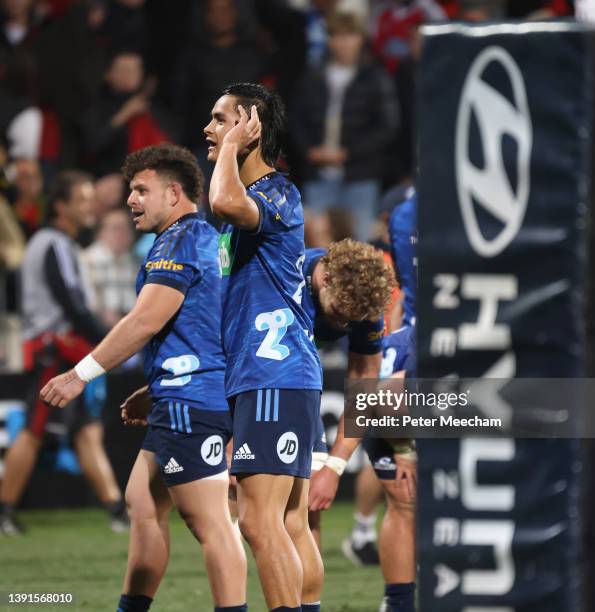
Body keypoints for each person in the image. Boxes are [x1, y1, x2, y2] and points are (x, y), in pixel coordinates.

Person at [39, 144, 247, 612]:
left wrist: (81, 374)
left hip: (192, 402)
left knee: (211, 523)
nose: (130, 200)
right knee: (144, 501)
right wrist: (156, 387)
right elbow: (202, 328)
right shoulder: (207, 238)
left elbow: (144, 320)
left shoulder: (178, 241)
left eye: (140, 190)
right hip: (183, 394)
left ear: (174, 193)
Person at [206, 82, 323, 612]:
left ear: (248, 124)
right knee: (289, 522)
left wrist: (231, 148)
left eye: (219, 119)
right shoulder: (251, 206)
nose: (208, 129)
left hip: (274, 377)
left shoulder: (275, 195)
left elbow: (223, 198)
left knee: (257, 521)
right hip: (267, 377)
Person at [0, 170, 127, 536]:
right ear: (60, 206)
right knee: (33, 431)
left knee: (88, 431)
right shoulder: (52, 242)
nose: (90, 205)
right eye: (82, 198)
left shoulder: (61, 242)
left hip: (68, 352)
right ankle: (4, 511)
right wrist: (114, 341)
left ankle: (116, 509)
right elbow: (72, 305)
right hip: (54, 350)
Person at [300, 239, 395, 563]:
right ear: (325, 279)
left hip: (297, 384)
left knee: (305, 509)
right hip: (235, 374)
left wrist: (335, 467)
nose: (343, 325)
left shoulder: (363, 309)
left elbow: (363, 387)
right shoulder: (283, 277)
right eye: (340, 313)